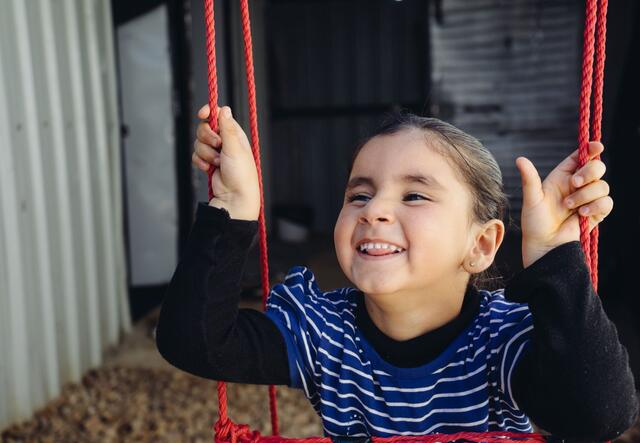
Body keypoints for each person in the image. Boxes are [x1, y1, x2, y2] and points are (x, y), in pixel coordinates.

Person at [156, 105, 639, 440]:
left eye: (414, 195)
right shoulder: (324, 334)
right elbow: (194, 341)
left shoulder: (505, 340)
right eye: (359, 194)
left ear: (481, 244)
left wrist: (556, 254)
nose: (374, 210)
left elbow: (600, 414)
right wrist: (235, 209)